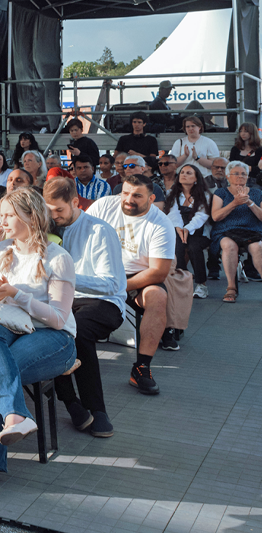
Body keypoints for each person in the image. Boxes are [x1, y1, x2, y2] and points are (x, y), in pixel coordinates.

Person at [0, 188, 77, 497]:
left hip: (56, 339)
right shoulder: (4, 249)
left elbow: (58, 319)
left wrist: (15, 293)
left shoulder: (58, 257)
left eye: (7, 215)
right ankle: (15, 416)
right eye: (0, 215)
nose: (0, 221)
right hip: (13, 326)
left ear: (31, 217)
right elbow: (3, 304)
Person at [44, 177, 127, 440]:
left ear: (75, 202)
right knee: (46, 329)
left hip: (103, 301)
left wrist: (66, 277)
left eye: (60, 210)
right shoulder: (48, 228)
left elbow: (111, 284)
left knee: (76, 331)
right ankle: (70, 402)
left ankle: (97, 409)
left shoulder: (99, 230)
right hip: (64, 299)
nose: (54, 216)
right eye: (49, 210)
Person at [87, 175, 174, 395]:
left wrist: (117, 285)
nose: (128, 199)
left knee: (158, 297)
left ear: (151, 198)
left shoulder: (161, 223)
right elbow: (81, 235)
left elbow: (158, 272)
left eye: (137, 195)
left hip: (137, 276)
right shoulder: (104, 205)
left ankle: (141, 367)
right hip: (100, 269)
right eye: (125, 193)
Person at [210, 161, 262, 304]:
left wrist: (249, 202)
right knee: (229, 246)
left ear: (248, 177)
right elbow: (216, 216)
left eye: (243, 174)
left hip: (252, 230)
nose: (240, 176)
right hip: (226, 230)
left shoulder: (257, 193)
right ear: (228, 176)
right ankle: (231, 287)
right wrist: (234, 203)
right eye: (236, 173)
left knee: (257, 247)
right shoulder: (221, 193)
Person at [163, 164, 211, 302]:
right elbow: (173, 213)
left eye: (189, 173)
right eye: (182, 172)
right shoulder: (172, 194)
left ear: (196, 178)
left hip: (199, 231)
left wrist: (187, 229)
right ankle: (182, 282)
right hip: (178, 229)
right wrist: (179, 228)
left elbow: (201, 216)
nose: (184, 175)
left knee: (194, 247)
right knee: (177, 247)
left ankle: (201, 284)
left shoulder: (205, 195)